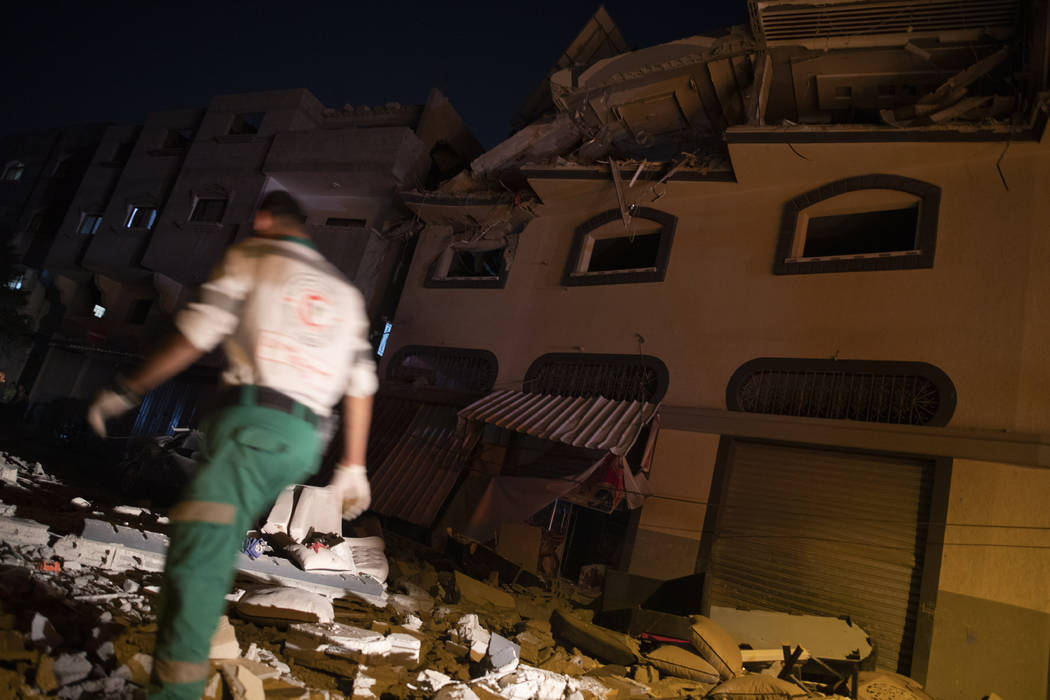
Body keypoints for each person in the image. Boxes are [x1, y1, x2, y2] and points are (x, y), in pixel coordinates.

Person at [86, 190, 377, 699]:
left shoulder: (253, 257)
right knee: (213, 531)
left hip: (254, 426)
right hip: (302, 438)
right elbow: (361, 384)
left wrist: (129, 388)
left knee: (199, 547)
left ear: (264, 219)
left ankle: (174, 691)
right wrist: (353, 465)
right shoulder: (345, 294)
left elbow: (196, 334)